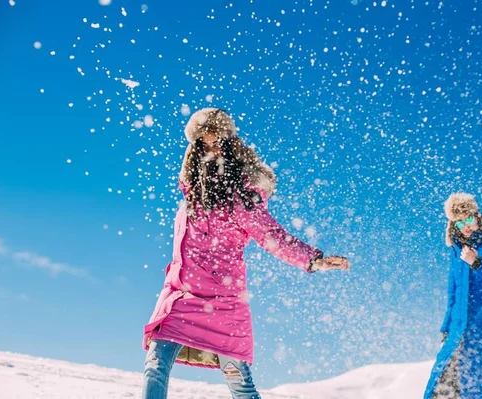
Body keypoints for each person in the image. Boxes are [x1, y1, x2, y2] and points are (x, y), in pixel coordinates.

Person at [142, 108, 350, 399]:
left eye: (217, 141)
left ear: (229, 144)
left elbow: (272, 236)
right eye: (204, 142)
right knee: (155, 362)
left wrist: (313, 259)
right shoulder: (191, 198)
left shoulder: (241, 198)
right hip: (180, 295)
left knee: (239, 383)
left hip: (223, 302)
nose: (211, 147)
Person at [424, 193, 482, 399]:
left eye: (468, 219)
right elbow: (454, 293)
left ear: (476, 215)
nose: (465, 226)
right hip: (458, 329)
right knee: (442, 385)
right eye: (459, 222)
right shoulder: (456, 249)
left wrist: (477, 264)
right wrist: (446, 327)